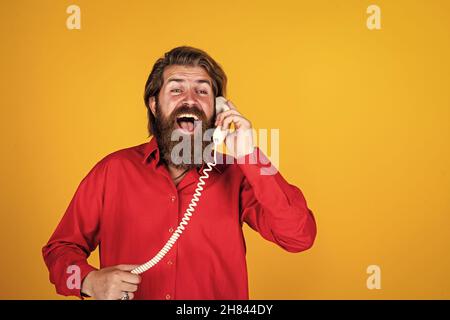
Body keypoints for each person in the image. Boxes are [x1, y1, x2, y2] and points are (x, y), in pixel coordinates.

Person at [42, 46, 317, 300]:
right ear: (154, 105)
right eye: (176, 90)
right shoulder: (112, 171)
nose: (190, 100)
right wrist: (88, 282)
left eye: (202, 91)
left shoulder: (237, 175)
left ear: (218, 110)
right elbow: (60, 250)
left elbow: (299, 236)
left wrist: (249, 154)